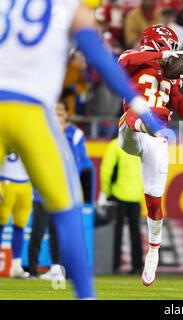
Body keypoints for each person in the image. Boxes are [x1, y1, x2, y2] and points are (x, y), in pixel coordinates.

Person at [0, 0, 165, 299]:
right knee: (68, 211)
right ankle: (86, 296)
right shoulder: (67, 7)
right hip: (29, 112)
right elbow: (100, 59)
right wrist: (139, 104)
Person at [118, 24, 183, 286]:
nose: (174, 51)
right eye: (170, 46)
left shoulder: (171, 75)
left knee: (154, 200)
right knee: (138, 112)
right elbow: (125, 61)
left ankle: (154, 249)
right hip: (134, 128)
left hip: (157, 137)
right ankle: (145, 121)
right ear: (158, 43)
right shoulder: (136, 58)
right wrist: (159, 58)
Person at [28, 101, 92, 280]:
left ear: (65, 118)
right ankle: (32, 270)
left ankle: (58, 268)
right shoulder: (43, 134)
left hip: (64, 192)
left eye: (60, 114)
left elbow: (81, 163)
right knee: (38, 231)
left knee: (59, 232)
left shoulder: (75, 136)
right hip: (42, 193)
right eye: (54, 113)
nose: (57, 118)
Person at [100, 138, 143, 274]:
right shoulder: (142, 144)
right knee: (135, 232)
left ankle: (114, 265)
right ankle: (137, 266)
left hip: (117, 194)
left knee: (116, 232)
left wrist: (107, 192)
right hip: (136, 195)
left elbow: (106, 170)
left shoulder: (115, 144)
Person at [0, 153, 32, 278]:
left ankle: (16, 265)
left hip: (25, 184)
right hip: (6, 181)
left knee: (20, 224)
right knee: (1, 222)